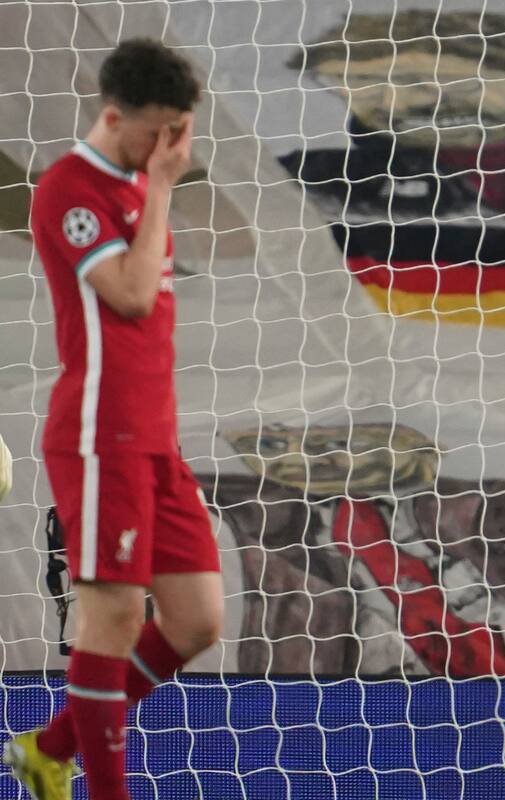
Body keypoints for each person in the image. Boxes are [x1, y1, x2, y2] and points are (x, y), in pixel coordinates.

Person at [3, 40, 223, 800]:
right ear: (113, 116)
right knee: (115, 616)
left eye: (179, 133)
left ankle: (49, 748)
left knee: (197, 620)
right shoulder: (69, 187)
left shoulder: (136, 181)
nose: (171, 149)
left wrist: (153, 182)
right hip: (98, 437)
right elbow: (127, 295)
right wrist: (162, 187)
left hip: (153, 438)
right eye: (160, 132)